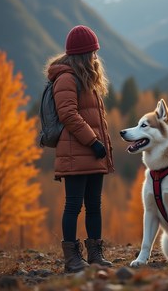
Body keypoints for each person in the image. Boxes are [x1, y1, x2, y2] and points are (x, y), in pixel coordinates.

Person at [45, 25, 114, 273]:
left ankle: (95, 254)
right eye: (93, 53)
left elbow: (95, 116)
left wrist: (101, 144)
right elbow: (68, 115)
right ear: (83, 55)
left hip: (92, 152)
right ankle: (72, 258)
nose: (96, 57)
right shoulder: (66, 78)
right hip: (75, 153)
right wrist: (93, 141)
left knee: (94, 205)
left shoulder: (88, 79)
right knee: (73, 205)